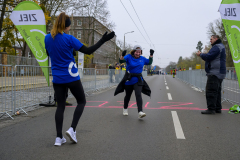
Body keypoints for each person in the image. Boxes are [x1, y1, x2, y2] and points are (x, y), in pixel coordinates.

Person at [45, 12, 115, 146]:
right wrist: (103, 40)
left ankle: (58, 138)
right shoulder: (70, 39)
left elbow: (49, 53)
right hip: (71, 77)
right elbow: (88, 51)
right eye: (69, 26)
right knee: (81, 101)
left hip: (57, 78)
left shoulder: (47, 38)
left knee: (60, 106)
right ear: (66, 26)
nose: (70, 28)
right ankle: (72, 129)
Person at [114, 45, 153, 118]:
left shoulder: (142, 59)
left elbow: (149, 62)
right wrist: (122, 55)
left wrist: (151, 55)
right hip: (129, 79)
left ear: (140, 52)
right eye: (136, 52)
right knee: (128, 96)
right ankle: (125, 109)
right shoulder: (129, 57)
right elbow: (121, 61)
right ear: (133, 51)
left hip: (138, 80)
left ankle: (140, 112)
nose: (137, 53)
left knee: (138, 95)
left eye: (139, 52)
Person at [196, 35, 226, 114]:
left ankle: (211, 109)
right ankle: (217, 108)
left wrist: (201, 54)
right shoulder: (220, 46)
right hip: (220, 72)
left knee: (211, 91)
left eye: (211, 39)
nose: (210, 40)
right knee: (217, 91)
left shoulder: (217, 47)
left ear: (216, 39)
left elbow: (209, 57)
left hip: (215, 73)